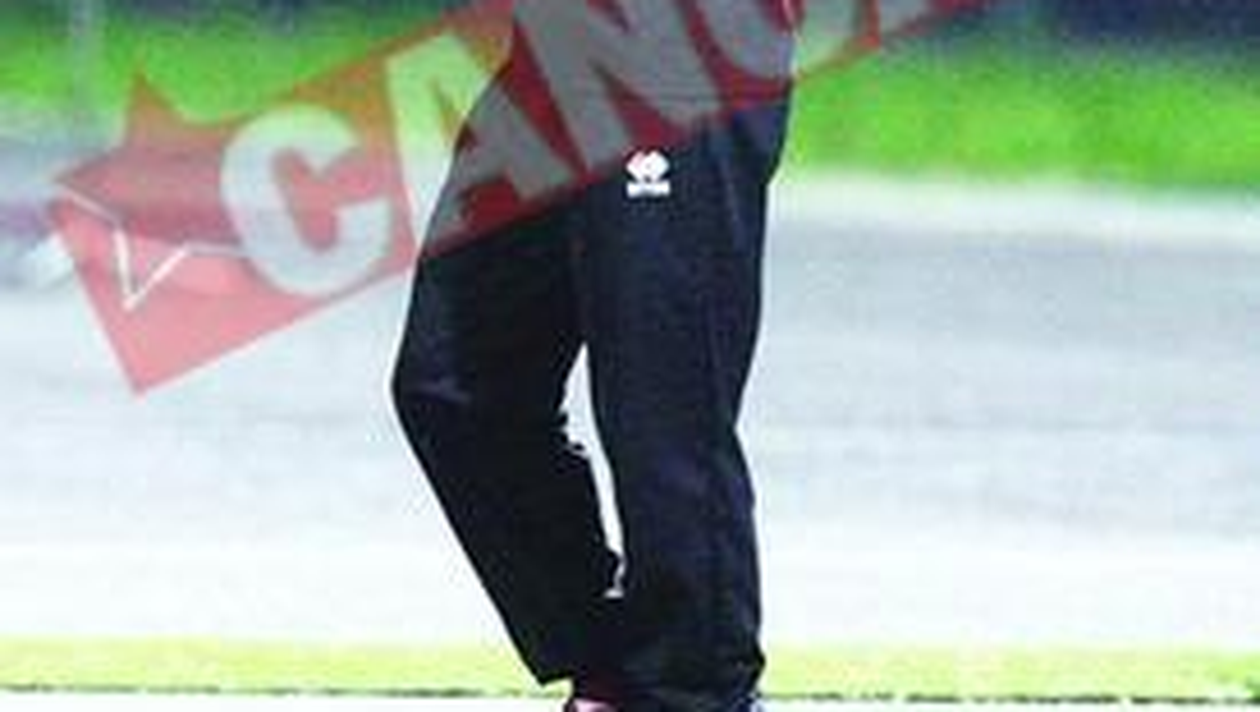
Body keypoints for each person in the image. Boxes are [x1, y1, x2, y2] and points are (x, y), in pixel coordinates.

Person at [392, 1, 795, 709]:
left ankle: (696, 691)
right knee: (456, 383)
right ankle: (611, 662)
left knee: (664, 413)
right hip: (553, 60)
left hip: (678, 53)